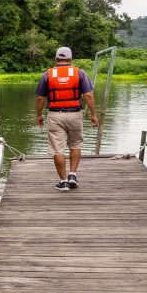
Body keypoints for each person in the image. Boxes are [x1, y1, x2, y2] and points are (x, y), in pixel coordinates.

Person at [35, 46, 98, 191]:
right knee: (75, 145)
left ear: (56, 59)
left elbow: (40, 98)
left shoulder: (48, 74)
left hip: (55, 115)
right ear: (70, 59)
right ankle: (72, 175)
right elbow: (88, 95)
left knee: (58, 149)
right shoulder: (79, 73)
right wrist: (93, 115)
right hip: (75, 114)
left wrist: (39, 115)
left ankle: (63, 182)